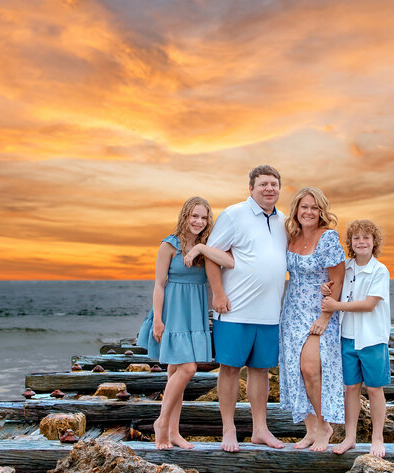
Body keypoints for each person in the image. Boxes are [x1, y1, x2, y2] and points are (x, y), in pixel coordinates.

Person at [138, 196, 234, 450]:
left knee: (175, 373)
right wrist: (158, 320)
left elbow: (230, 262)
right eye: (194, 216)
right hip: (173, 311)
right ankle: (161, 423)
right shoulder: (169, 245)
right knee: (188, 369)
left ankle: (173, 431)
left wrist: (201, 249)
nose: (199, 222)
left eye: (203, 217)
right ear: (185, 216)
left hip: (195, 312)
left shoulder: (208, 246)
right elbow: (159, 284)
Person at [205, 165, 288, 452]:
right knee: (229, 369)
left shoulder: (285, 222)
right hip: (234, 311)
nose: (269, 188)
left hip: (269, 314)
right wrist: (218, 293)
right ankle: (229, 429)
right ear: (250, 188)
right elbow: (212, 256)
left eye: (274, 184)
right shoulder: (233, 214)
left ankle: (260, 430)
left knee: (261, 371)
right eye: (263, 184)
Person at [279, 187, 345, 452]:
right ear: (296, 210)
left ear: (321, 212)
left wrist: (326, 316)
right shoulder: (290, 237)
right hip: (291, 310)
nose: (309, 212)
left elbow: (338, 278)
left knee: (311, 369)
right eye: (304, 207)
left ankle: (324, 426)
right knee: (295, 370)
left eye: (314, 208)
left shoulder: (328, 238)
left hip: (318, 311)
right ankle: (309, 429)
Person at [322, 219, 391, 457]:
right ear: (350, 243)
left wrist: (336, 305)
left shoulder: (379, 270)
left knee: (373, 389)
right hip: (348, 336)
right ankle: (350, 438)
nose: (361, 242)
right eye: (356, 238)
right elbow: (334, 287)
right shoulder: (347, 266)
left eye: (366, 238)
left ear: (374, 243)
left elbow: (370, 304)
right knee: (350, 387)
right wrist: (326, 291)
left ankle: (377, 438)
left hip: (372, 338)